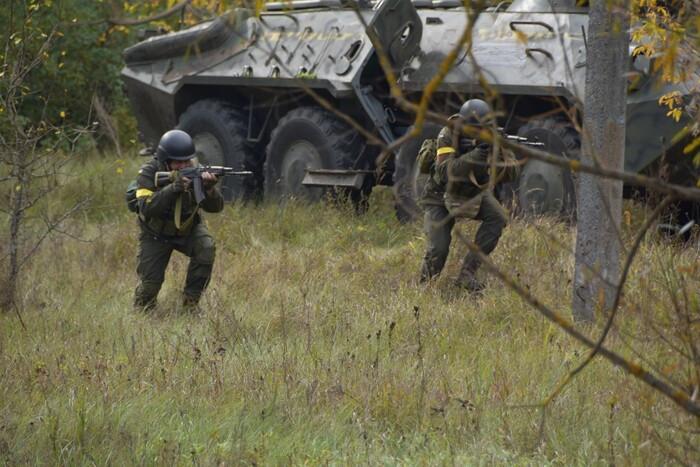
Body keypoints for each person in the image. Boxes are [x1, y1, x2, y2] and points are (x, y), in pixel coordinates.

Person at [419, 99, 508, 292]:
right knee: (439, 248)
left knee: (497, 218)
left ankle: (467, 274)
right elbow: (444, 172)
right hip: (438, 196)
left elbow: (511, 174)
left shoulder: (490, 138)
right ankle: (425, 287)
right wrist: (477, 155)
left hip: (471, 193)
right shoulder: (448, 134)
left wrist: (496, 153)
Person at [133, 129, 224, 312]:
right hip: (155, 234)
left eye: (186, 161)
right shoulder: (149, 173)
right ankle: (142, 311)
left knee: (206, 248)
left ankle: (190, 306)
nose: (183, 166)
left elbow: (215, 208)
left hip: (187, 230)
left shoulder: (196, 172)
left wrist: (209, 189)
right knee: (150, 286)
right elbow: (146, 207)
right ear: (165, 161)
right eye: (177, 162)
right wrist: (173, 188)